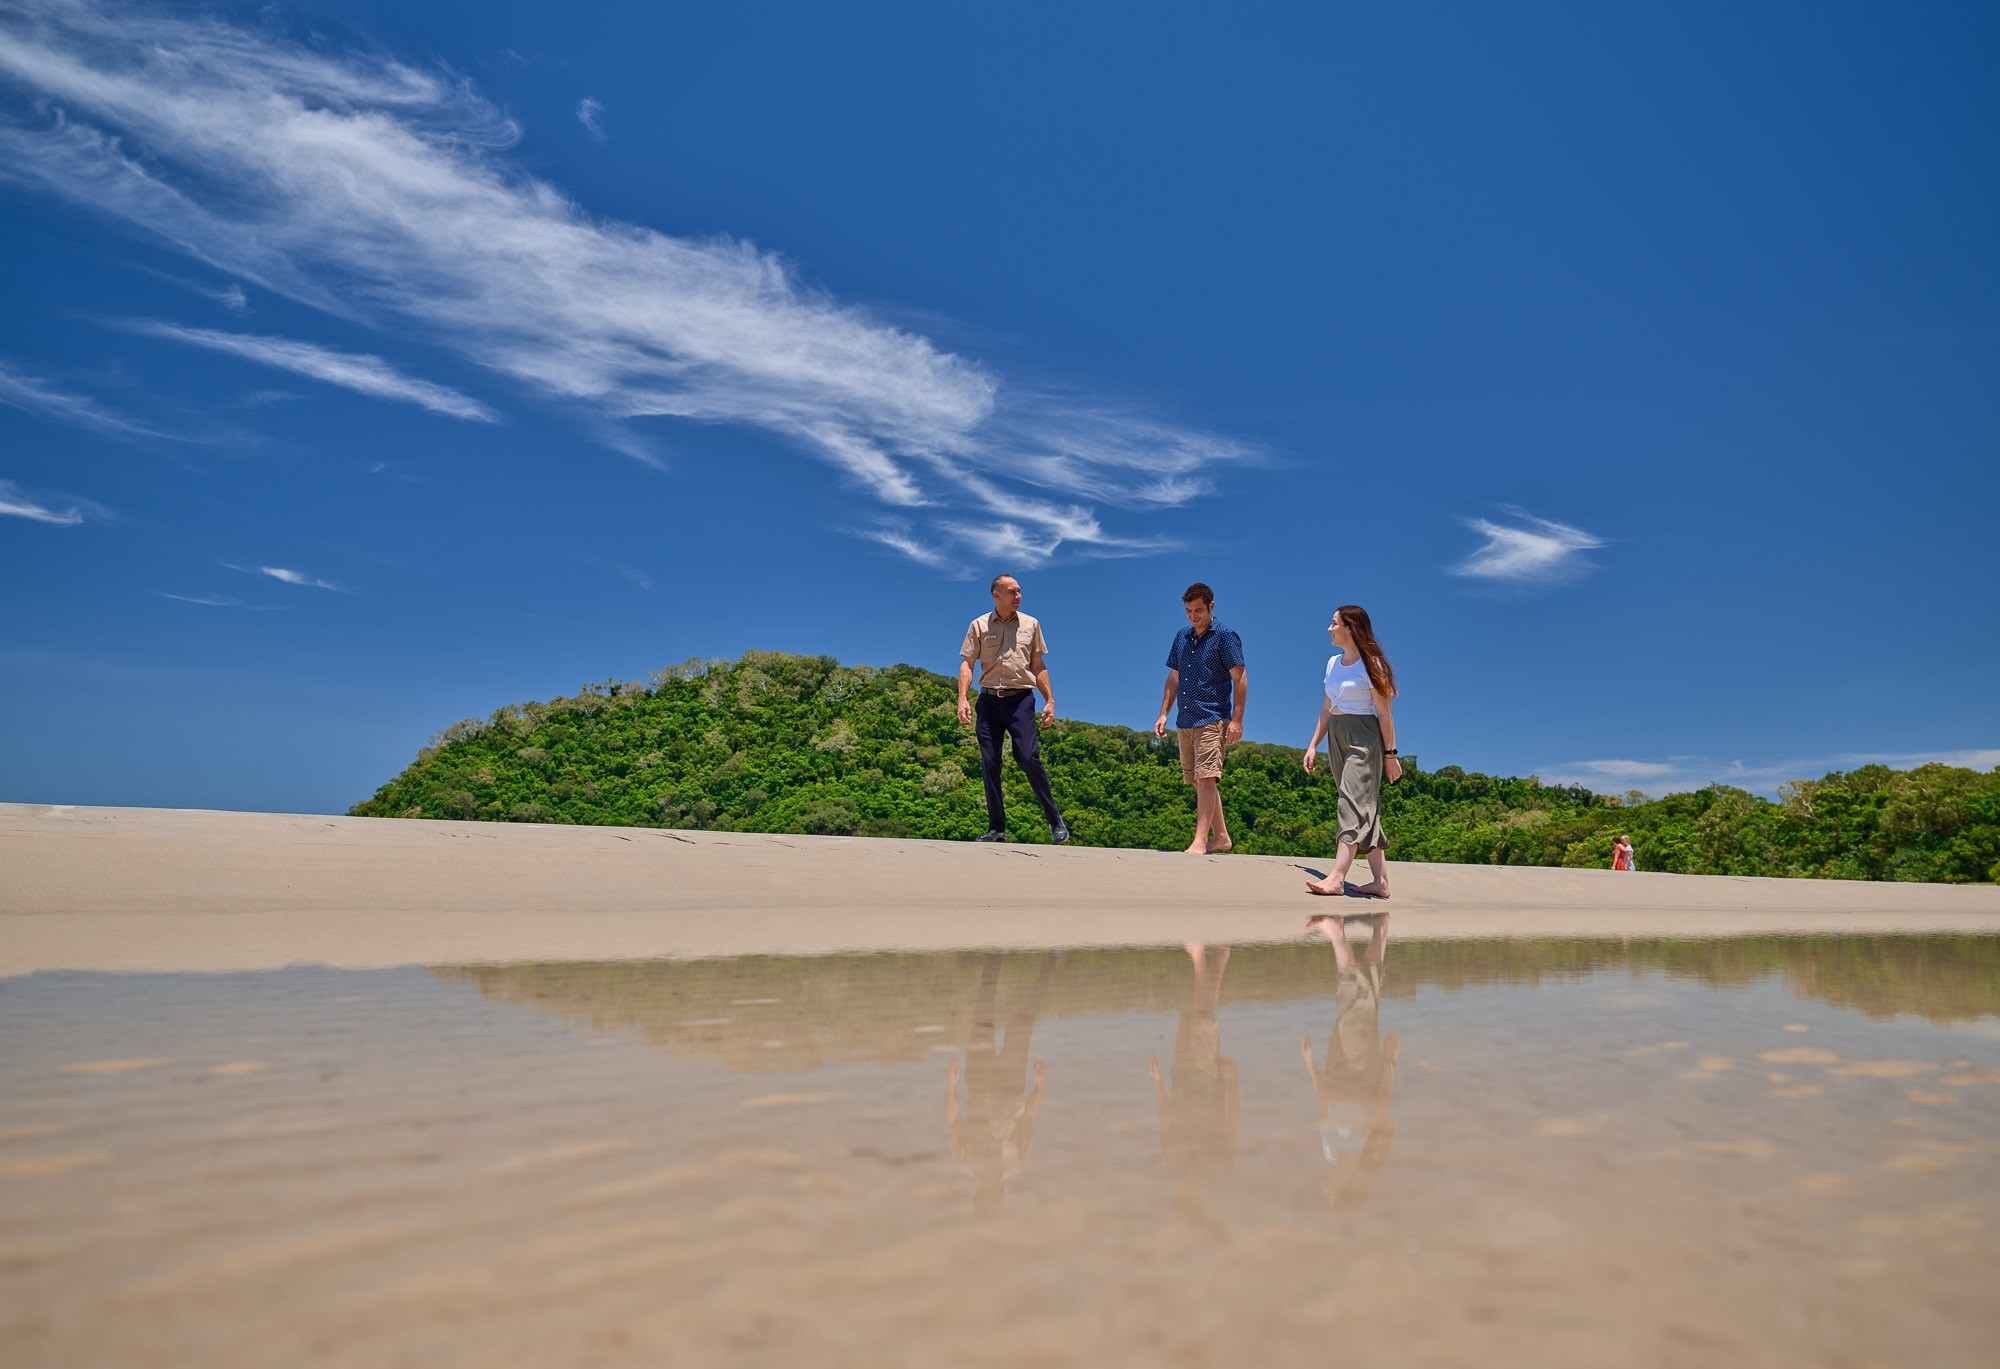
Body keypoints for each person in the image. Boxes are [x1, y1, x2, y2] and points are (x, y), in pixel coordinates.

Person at [957, 574, 1068, 844]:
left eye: (1019, 592)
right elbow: (967, 664)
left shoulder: (1031, 624)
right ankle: (997, 829)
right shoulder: (979, 625)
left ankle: (1055, 822)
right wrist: (962, 698)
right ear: (997, 595)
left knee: (1029, 758)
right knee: (990, 763)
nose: (1018, 596)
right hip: (989, 701)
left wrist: (1050, 701)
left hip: (1020, 700)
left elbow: (1039, 666)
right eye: (1013, 592)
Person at [1301, 911, 1399, 1210]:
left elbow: (1324, 1106)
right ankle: (1336, 933)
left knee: (1358, 1000)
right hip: (1361, 1067)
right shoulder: (1368, 1154)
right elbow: (1382, 1106)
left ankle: (1379, 930)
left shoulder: (1331, 1154)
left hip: (1335, 1068)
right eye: (1331, 1192)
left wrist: (1311, 1064)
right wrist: (1389, 1061)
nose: (1325, 1187)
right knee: (1353, 999)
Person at [947, 952, 1056, 1215]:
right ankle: (1052, 959)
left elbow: (953, 1120)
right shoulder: (1017, 1163)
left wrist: (950, 1087)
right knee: (1021, 1024)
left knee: (982, 1020)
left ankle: (994, 954)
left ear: (978, 1193)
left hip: (979, 1080)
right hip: (1011, 1085)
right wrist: (1039, 1088)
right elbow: (1027, 1121)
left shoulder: (963, 1161)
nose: (997, 1191)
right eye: (998, 1197)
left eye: (990, 1195)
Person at [1303, 605, 1401, 898]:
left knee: (1350, 804)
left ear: (1350, 628)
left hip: (1365, 737)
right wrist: (1312, 746)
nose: (1329, 629)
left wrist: (1391, 755)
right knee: (1363, 808)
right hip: (1337, 735)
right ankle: (1380, 883)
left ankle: (1336, 878)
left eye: (1334, 623)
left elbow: (1385, 715)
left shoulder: (1373, 665)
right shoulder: (1332, 663)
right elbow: (1326, 709)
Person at [1153, 583, 1248, 854]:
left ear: (1211, 607)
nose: (1193, 616)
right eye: (1188, 611)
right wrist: (1163, 713)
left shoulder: (1226, 636)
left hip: (1212, 716)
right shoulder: (1181, 636)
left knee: (1207, 777)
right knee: (1197, 780)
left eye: (1198, 611)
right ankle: (1222, 837)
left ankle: (1200, 841)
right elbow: (1173, 678)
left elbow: (1240, 679)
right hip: (1185, 719)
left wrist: (1237, 720)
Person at [1150, 943, 1240, 1218]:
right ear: (1199, 1197)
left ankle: (1219, 959)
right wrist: (1233, 1082)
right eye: (1190, 1198)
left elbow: (1166, 1119)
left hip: (1179, 1076)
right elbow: (1233, 1125)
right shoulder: (1218, 1163)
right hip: (1207, 1080)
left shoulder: (1172, 1159)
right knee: (1203, 1019)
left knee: (1191, 1016)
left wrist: (1157, 1083)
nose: (1187, 1191)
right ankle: (1200, 959)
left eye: (1182, 1196)